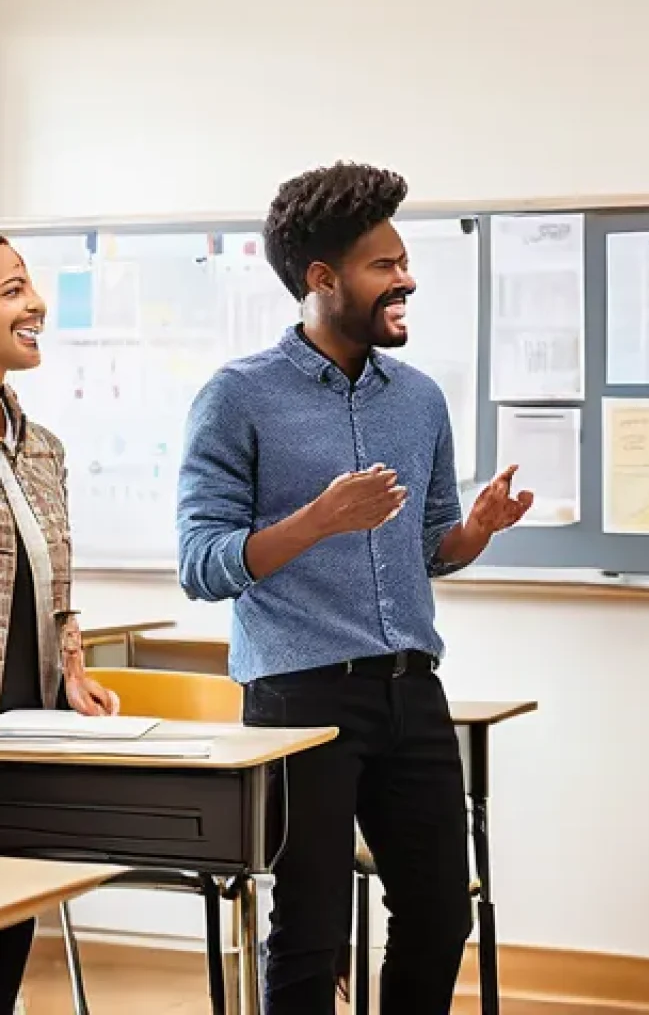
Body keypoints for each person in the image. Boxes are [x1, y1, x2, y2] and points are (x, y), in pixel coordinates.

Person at [176, 161, 533, 1015]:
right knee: (311, 930)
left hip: (412, 691)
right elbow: (200, 562)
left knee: (441, 914)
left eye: (404, 261)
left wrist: (475, 531)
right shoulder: (237, 397)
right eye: (384, 265)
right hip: (299, 697)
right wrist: (318, 520)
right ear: (322, 278)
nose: (406, 279)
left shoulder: (419, 399)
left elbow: (432, 548)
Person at [0, 235, 120, 1015]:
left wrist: (72, 668)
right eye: (11, 290)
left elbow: (54, 585)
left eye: (29, 285)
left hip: (25, 734)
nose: (37, 303)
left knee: (9, 934)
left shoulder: (41, 448)